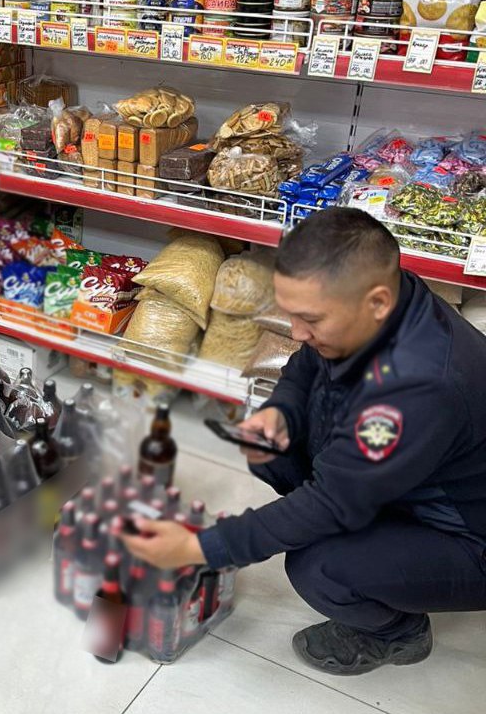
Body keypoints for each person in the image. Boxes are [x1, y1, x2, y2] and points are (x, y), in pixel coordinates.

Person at [123, 208, 486, 675]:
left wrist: (200, 548)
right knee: (274, 447)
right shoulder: (382, 298)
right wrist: (282, 409)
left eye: (310, 319)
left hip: (469, 534)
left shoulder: (418, 388)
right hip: (415, 475)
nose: (296, 332)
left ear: (375, 302)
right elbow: (307, 364)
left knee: (319, 563)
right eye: (290, 315)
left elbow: (330, 505)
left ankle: (399, 633)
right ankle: (369, 537)